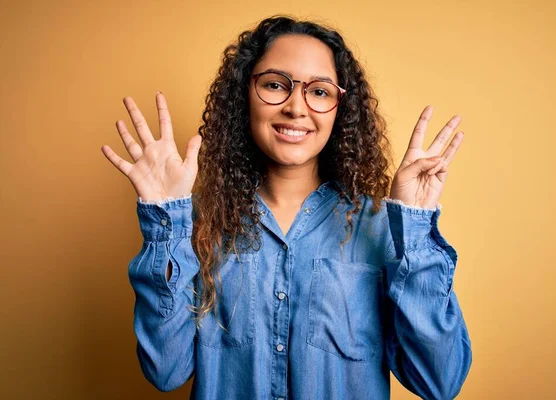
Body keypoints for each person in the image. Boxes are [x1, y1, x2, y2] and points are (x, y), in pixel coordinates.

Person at [100, 15, 472, 400]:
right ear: (245, 95)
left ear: (340, 109)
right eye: (276, 85)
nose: (296, 107)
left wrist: (415, 229)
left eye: (320, 91)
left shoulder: (382, 227)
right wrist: (165, 219)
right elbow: (165, 370)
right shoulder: (196, 223)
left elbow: (438, 381)